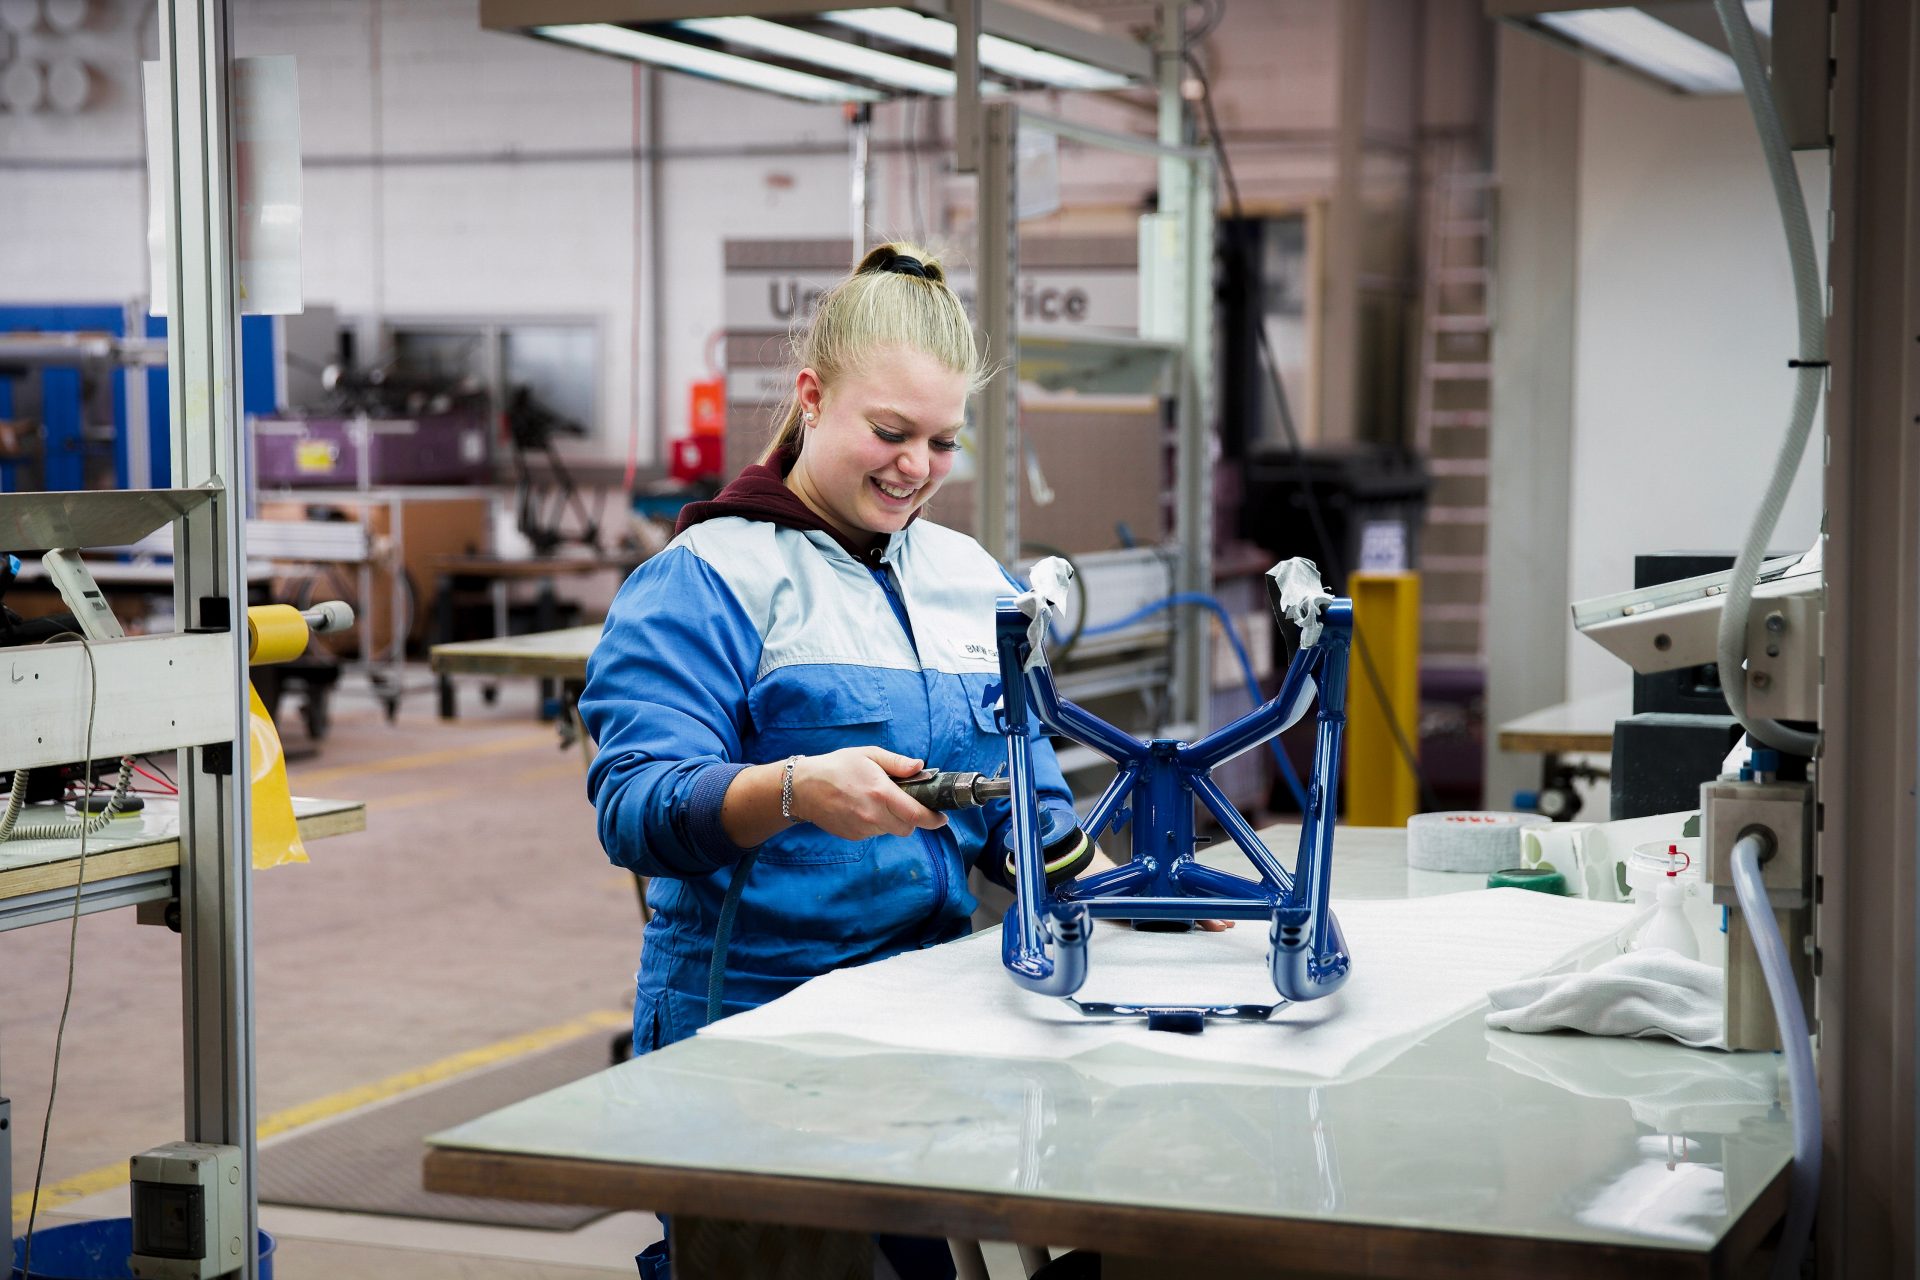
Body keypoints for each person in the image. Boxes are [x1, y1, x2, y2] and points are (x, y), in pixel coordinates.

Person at [578, 243, 1079, 1276]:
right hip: (758, 1027)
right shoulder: (707, 576)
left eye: (942, 441)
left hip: (924, 1020)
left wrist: (1132, 896)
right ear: (812, 398)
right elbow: (635, 808)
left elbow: (1022, 782)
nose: (916, 467)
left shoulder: (965, 575)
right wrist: (793, 787)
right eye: (889, 432)